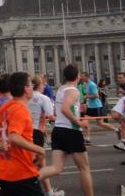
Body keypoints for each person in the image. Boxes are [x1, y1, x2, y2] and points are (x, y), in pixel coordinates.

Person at [40, 64, 93, 196]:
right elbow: (65, 108)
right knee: (84, 168)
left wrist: (77, 110)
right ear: (77, 76)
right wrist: (79, 122)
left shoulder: (61, 89)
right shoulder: (73, 91)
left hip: (58, 130)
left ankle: (25, 179)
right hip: (71, 131)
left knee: (56, 168)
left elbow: (59, 109)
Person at [0, 72, 45, 195]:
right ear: (26, 89)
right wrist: (39, 150)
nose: (32, 88)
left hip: (1, 172)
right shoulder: (20, 109)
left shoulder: (3, 109)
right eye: (31, 85)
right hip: (21, 173)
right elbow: (13, 137)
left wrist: (0, 144)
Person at [27, 75, 62, 196]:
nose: (44, 86)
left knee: (39, 162)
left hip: (26, 131)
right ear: (40, 85)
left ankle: (49, 191)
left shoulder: (26, 96)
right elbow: (50, 116)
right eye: (43, 84)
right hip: (37, 132)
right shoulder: (43, 98)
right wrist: (64, 119)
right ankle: (29, 185)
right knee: (37, 163)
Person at [80, 72, 119, 144]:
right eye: (81, 76)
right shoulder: (86, 84)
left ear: (87, 77)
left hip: (97, 106)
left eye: (82, 76)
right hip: (90, 107)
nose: (81, 77)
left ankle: (116, 129)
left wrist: (87, 97)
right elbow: (89, 94)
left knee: (100, 123)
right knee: (85, 121)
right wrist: (85, 99)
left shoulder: (92, 84)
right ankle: (88, 138)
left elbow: (96, 95)